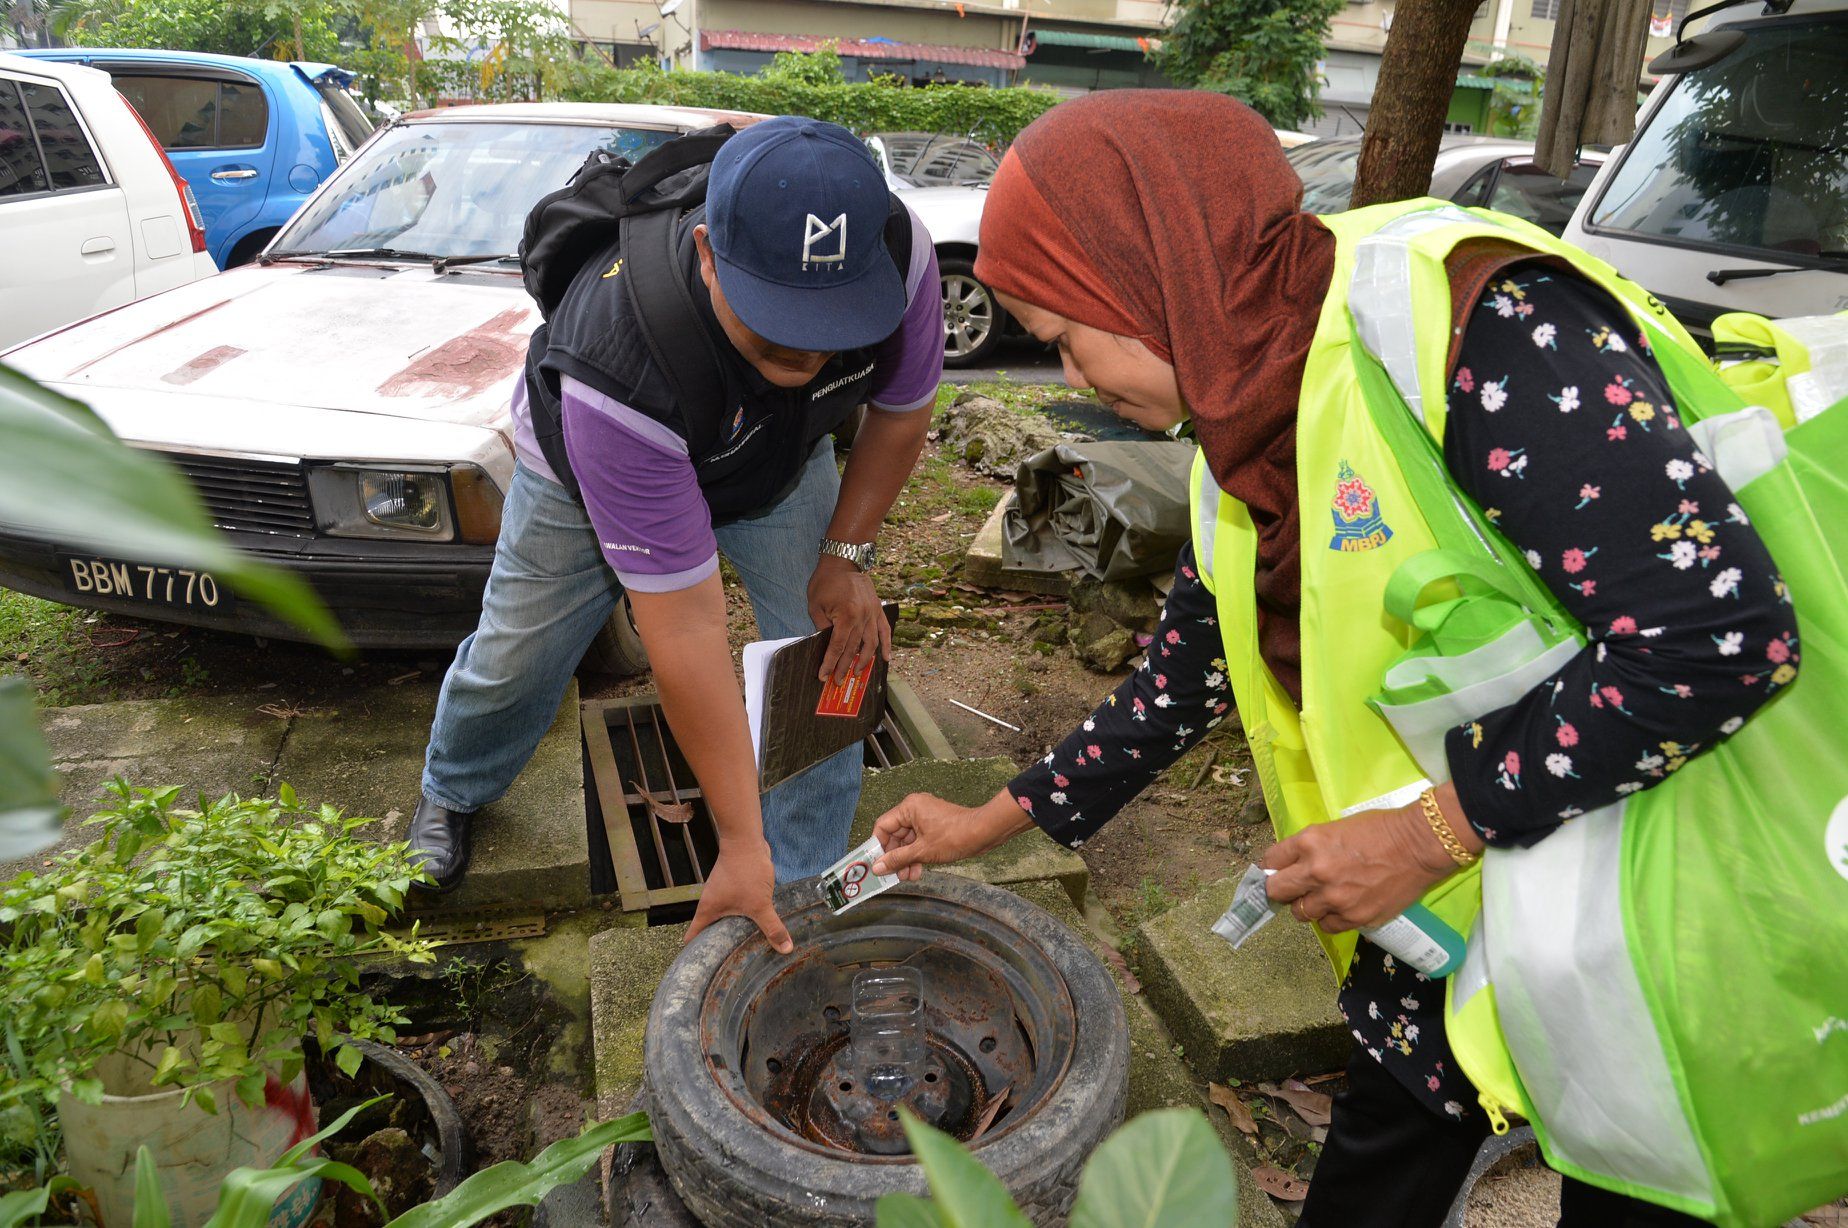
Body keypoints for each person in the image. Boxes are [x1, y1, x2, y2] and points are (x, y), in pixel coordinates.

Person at [867, 92, 1797, 1226]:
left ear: (1149, 267)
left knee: (1631, 1185)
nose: (1064, 375)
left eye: (1062, 332)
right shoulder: (1239, 425)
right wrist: (986, 823)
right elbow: (1178, 686)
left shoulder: (1479, 328)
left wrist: (1423, 834)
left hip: (1648, 903)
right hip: (1454, 917)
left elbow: (1721, 639)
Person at [412, 117, 943, 953]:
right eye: (774, 326)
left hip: (781, 462)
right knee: (520, 653)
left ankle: (794, 885)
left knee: (825, 657)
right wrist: (733, 838)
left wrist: (847, 554)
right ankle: (455, 785)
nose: (807, 352)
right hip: (597, 472)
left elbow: (902, 415)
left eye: (833, 324)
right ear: (705, 254)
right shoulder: (616, 362)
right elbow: (688, 630)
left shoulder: (899, 255)